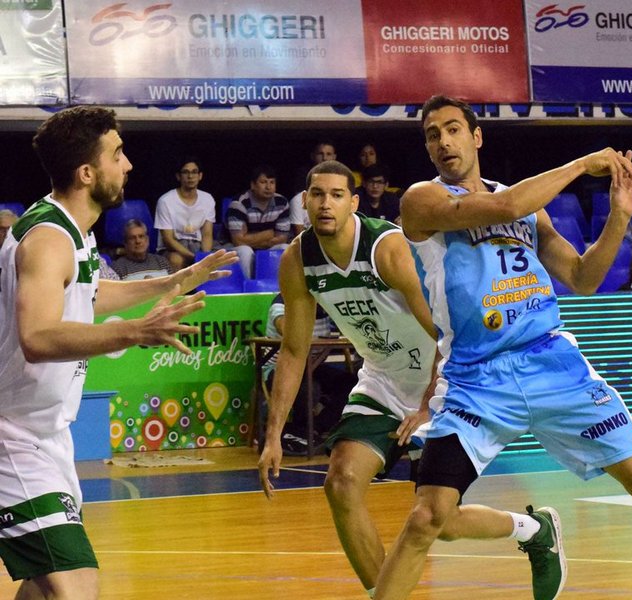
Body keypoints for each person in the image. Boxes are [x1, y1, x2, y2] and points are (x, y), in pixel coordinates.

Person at [374, 95, 632, 600]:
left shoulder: (528, 211)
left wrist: (619, 216)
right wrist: (582, 164)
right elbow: (506, 206)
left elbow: (582, 277)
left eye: (453, 129)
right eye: (432, 134)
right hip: (477, 379)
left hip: (551, 361)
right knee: (428, 518)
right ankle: (532, 532)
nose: (443, 142)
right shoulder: (423, 200)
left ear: (477, 136)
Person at [258, 160, 548, 599]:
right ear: (304, 201)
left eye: (337, 194)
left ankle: (532, 528)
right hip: (383, 380)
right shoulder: (298, 260)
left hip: (447, 378)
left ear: (353, 203)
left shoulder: (387, 249)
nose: (325, 203)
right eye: (317, 194)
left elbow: (443, 328)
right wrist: (274, 434)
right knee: (340, 483)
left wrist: (428, 402)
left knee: (440, 522)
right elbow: (295, 350)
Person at [0, 106, 236, 600]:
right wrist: (133, 332)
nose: (127, 165)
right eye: (118, 154)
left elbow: (88, 295)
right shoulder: (48, 239)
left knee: (45, 588)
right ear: (87, 173)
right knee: (78, 587)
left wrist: (172, 281)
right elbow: (38, 336)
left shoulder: (74, 232)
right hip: (11, 436)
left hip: (46, 435)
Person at [261, 293, 351, 456]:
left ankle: (315, 429)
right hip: (278, 369)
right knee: (310, 388)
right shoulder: (281, 304)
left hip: (312, 367)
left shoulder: (325, 306)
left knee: (350, 383)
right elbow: (286, 329)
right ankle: (298, 429)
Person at [227, 165, 291, 279]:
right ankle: (248, 289)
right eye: (263, 182)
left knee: (285, 248)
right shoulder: (239, 204)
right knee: (245, 251)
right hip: (234, 248)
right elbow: (238, 241)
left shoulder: (282, 203)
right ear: (253, 185)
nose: (268, 187)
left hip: (267, 248)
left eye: (272, 182)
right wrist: (268, 234)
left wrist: (249, 238)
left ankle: (280, 289)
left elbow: (282, 238)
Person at [155, 157, 216, 271]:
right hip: (174, 248)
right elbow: (168, 240)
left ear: (200, 176)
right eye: (185, 172)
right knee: (176, 259)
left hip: (198, 246)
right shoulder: (165, 201)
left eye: (194, 172)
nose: (190, 176)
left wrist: (204, 256)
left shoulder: (208, 199)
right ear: (178, 176)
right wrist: (193, 257)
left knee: (225, 256)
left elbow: (207, 234)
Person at [290, 142, 338, 236]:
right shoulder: (299, 199)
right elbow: (300, 237)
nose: (324, 158)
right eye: (320, 154)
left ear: (334, 157)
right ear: (313, 156)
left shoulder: (340, 195)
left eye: (328, 154)